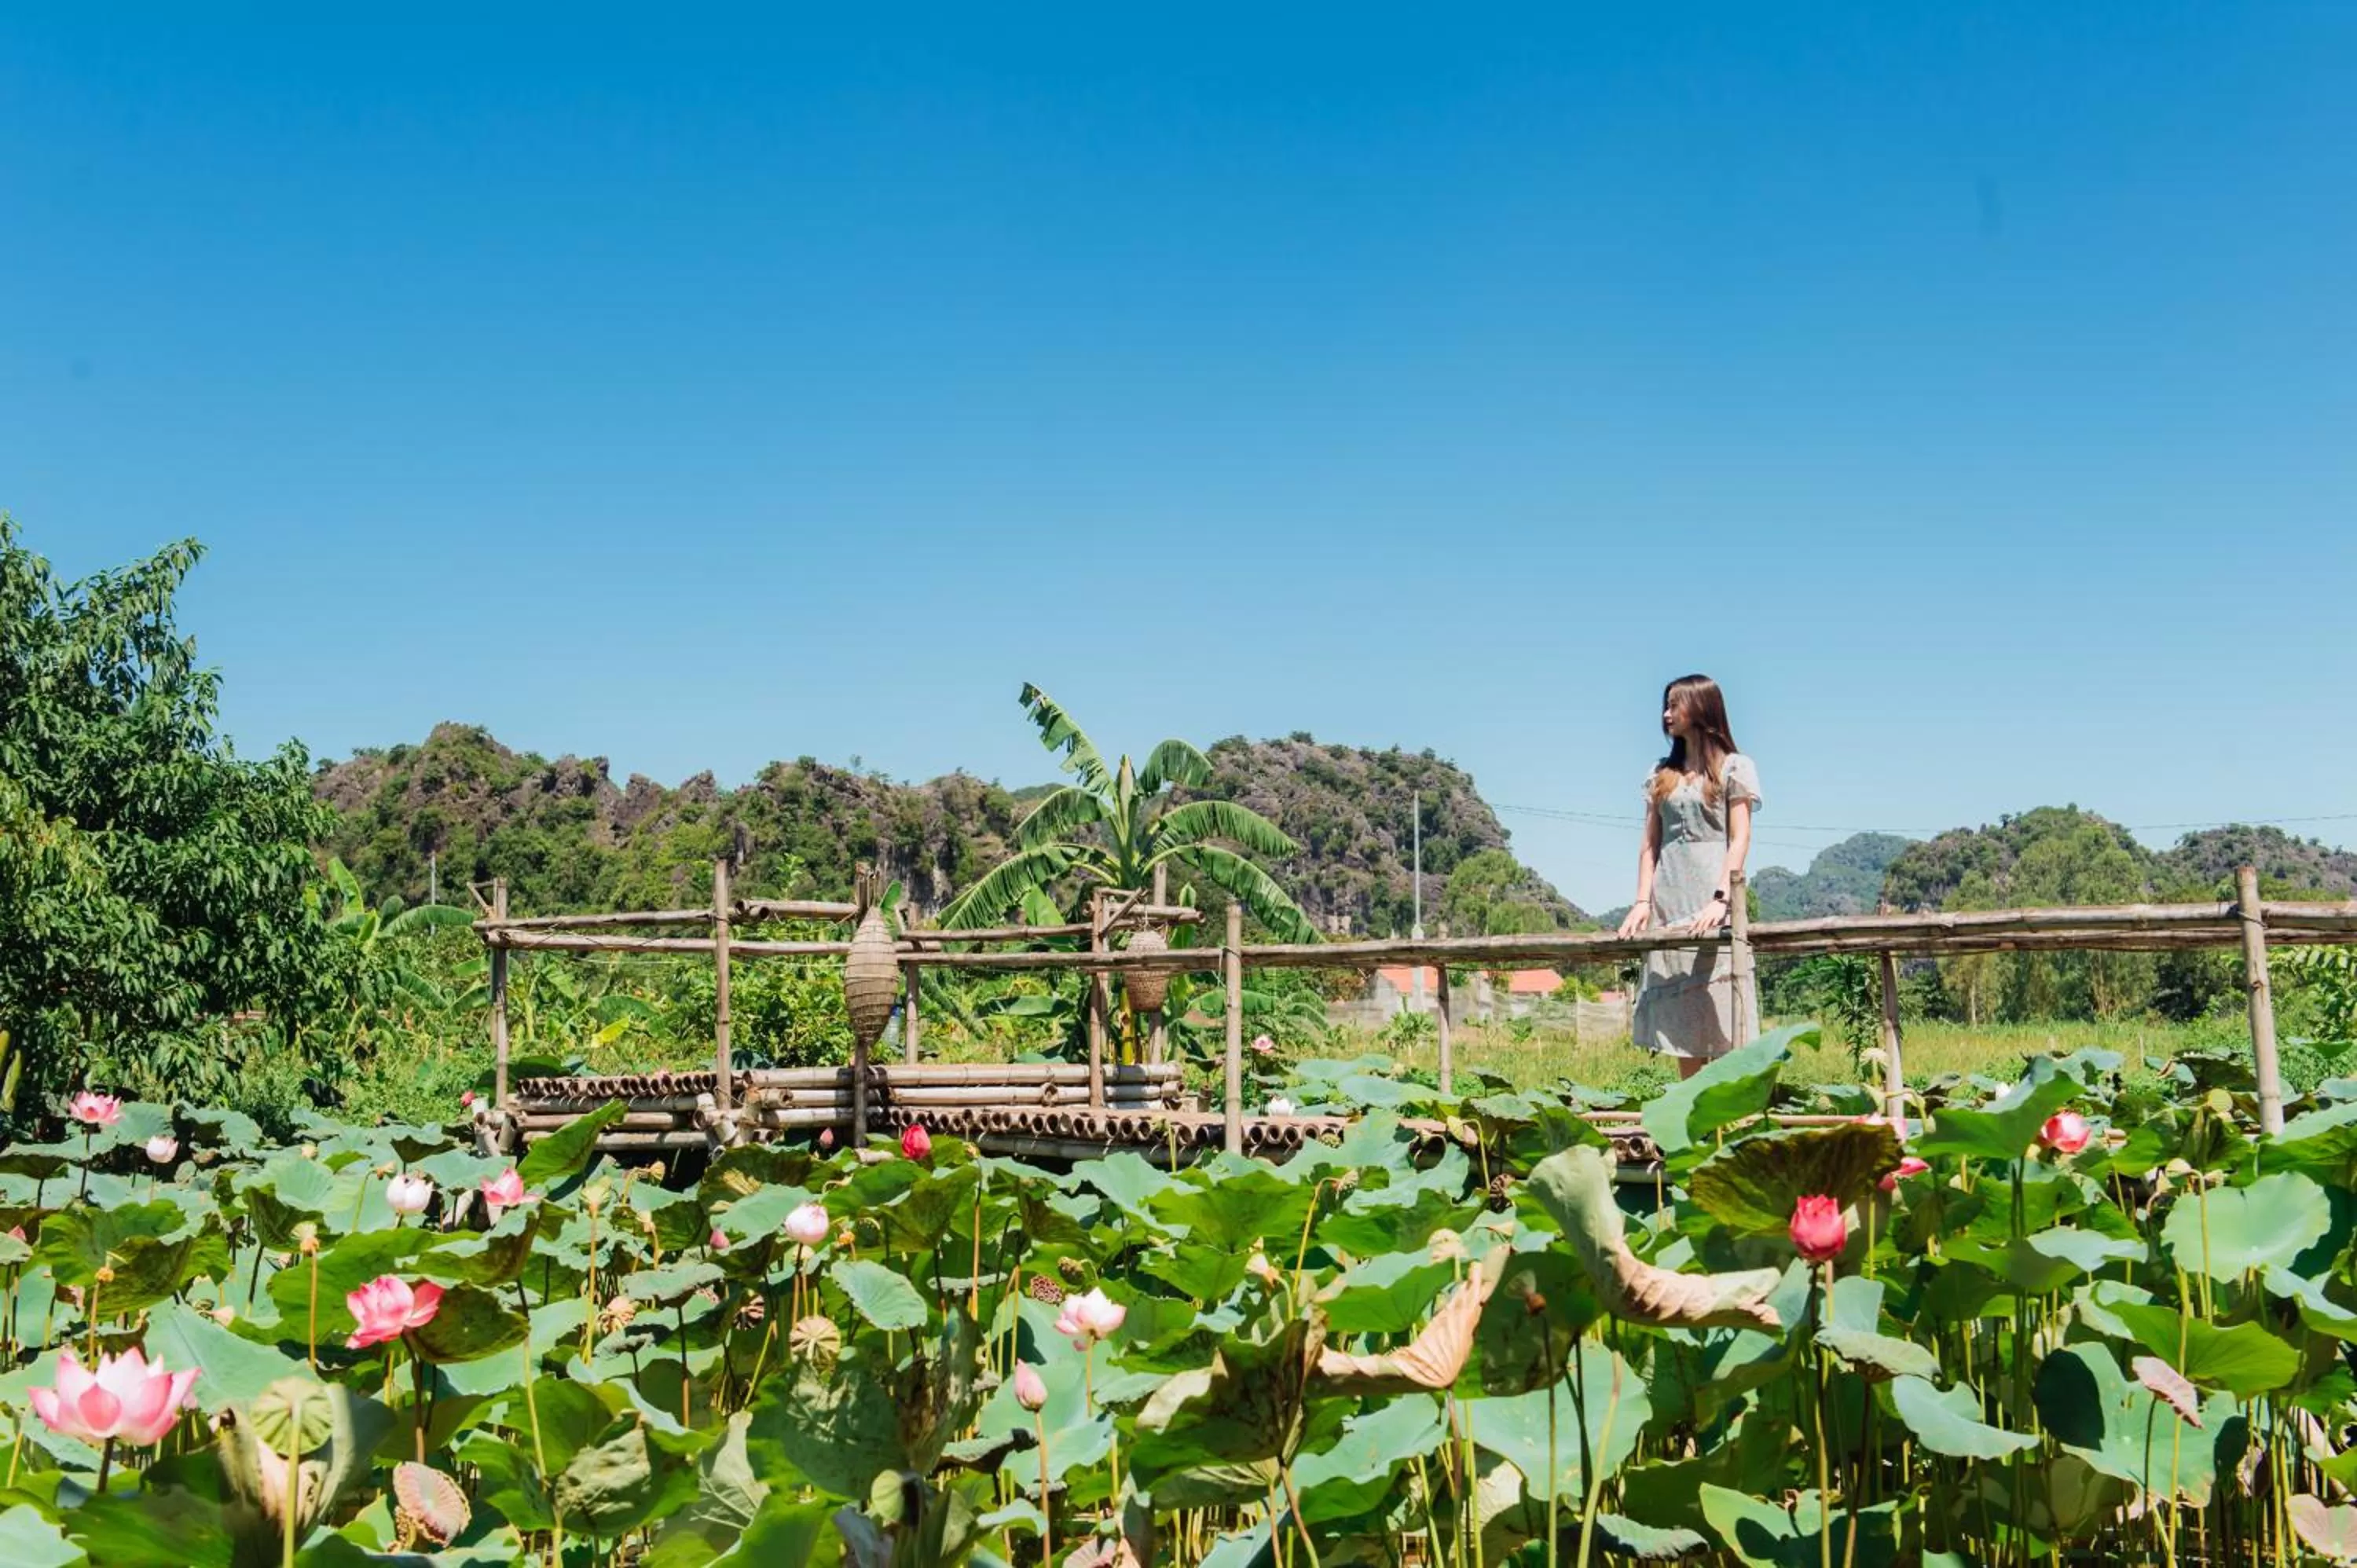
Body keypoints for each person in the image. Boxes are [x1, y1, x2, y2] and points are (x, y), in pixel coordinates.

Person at [1616, 675, 1761, 1076]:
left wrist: (1721, 899)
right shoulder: (1660, 774)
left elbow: (1740, 838)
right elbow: (1649, 844)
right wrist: (1641, 902)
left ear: (1700, 708)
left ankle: (1730, 1112)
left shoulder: (1735, 768)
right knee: (1682, 1019)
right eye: (1665, 706)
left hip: (1715, 896)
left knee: (1724, 1009)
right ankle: (1692, 1111)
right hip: (1669, 898)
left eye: (1674, 705)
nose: (1666, 714)